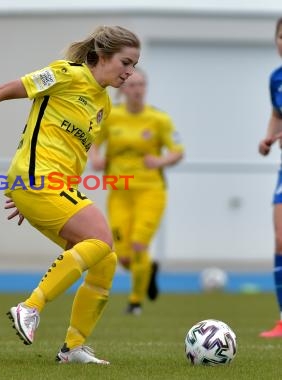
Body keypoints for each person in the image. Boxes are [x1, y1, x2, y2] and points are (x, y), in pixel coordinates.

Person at [0, 25, 140, 364]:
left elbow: (68, 151)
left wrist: (33, 199)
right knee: (101, 238)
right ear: (102, 56)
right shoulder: (65, 74)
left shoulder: (103, 103)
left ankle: (72, 348)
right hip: (37, 180)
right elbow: (3, 90)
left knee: (105, 260)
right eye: (126, 63)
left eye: (134, 66)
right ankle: (30, 307)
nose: (130, 73)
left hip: (49, 188)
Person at [89, 68, 184, 316]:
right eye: (132, 85)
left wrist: (161, 161)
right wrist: (96, 158)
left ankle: (135, 302)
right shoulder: (111, 116)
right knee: (124, 256)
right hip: (119, 192)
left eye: (141, 84)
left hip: (150, 191)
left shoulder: (158, 119)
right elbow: (94, 142)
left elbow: (177, 151)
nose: (137, 90)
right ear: (122, 89)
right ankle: (148, 270)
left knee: (139, 245)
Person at [258, 17, 282, 338]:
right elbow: (277, 114)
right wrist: (268, 138)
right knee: (280, 240)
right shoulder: (276, 78)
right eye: (281, 36)